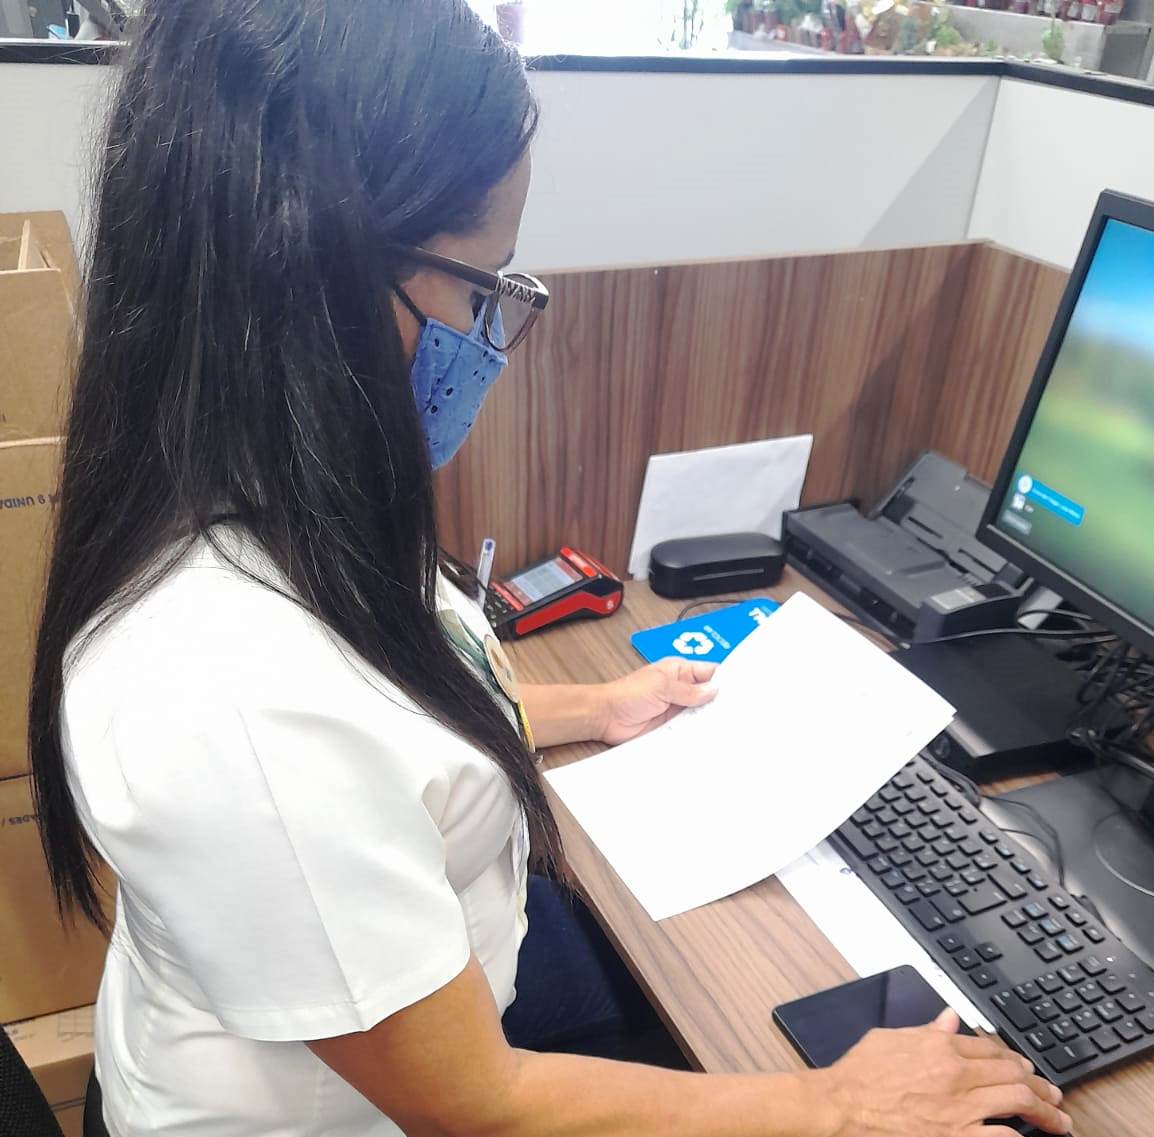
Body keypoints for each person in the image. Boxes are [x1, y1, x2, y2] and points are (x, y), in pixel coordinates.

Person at [28, 3, 1072, 1136]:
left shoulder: (268, 490)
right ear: (315, 275)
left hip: (435, 1000)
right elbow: (478, 1102)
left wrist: (595, 706)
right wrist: (837, 1106)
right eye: (482, 282)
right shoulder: (234, 692)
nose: (487, 332)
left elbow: (396, 713)